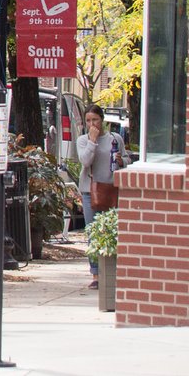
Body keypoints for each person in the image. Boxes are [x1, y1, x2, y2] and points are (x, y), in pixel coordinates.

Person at [75, 104, 121, 287]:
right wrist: (92, 142)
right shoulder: (83, 140)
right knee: (93, 233)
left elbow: (124, 159)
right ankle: (95, 274)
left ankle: (111, 271)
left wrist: (121, 160)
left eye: (95, 119)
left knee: (110, 232)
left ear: (102, 120)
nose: (92, 124)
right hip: (90, 191)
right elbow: (85, 161)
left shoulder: (114, 139)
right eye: (88, 120)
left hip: (109, 189)